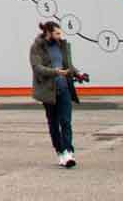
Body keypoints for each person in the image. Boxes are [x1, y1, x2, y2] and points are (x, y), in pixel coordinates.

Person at [29, 20, 81, 168]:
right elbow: (37, 67)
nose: (60, 36)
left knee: (66, 121)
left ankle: (69, 152)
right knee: (53, 123)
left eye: (60, 33)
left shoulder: (61, 46)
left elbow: (68, 65)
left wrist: (78, 74)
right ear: (48, 33)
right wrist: (56, 72)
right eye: (57, 33)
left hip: (64, 88)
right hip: (48, 91)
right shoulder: (37, 47)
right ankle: (60, 151)